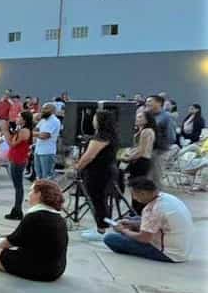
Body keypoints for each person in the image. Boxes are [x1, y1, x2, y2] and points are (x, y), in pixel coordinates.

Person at [0, 179, 67, 282]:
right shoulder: (59, 218)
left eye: (31, 191)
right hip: (57, 269)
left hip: (42, 270)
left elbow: (12, 241)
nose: (29, 194)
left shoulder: (34, 216)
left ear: (38, 194)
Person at [103, 177, 193, 263]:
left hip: (168, 254)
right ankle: (131, 228)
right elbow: (156, 220)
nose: (134, 198)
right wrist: (132, 223)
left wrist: (123, 230)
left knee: (110, 238)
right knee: (134, 219)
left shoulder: (152, 209)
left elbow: (144, 238)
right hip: (182, 250)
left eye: (134, 194)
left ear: (143, 193)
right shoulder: (166, 197)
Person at [72, 109, 119, 241]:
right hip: (104, 170)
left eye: (95, 118)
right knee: (100, 199)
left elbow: (89, 156)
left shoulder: (101, 137)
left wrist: (78, 167)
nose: (93, 120)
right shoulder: (110, 135)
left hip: (99, 171)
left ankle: (101, 229)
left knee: (97, 199)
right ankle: (102, 225)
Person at [3, 111, 34, 220]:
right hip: (15, 158)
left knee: (18, 186)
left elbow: (12, 144)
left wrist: (5, 131)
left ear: (24, 119)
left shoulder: (25, 131)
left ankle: (17, 210)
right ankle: (16, 209)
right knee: (17, 186)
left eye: (19, 117)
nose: (17, 118)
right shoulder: (21, 129)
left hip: (18, 160)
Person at [124, 110, 156, 181]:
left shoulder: (146, 131)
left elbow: (141, 150)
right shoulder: (141, 131)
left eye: (140, 117)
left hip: (141, 161)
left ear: (147, 119)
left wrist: (128, 158)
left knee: (137, 183)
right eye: (137, 117)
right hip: (138, 159)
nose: (136, 119)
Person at [32, 103, 60, 180]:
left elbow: (44, 136)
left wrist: (31, 133)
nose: (43, 111)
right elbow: (35, 130)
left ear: (53, 110)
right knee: (39, 176)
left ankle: (48, 192)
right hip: (38, 150)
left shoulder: (54, 121)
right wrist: (34, 120)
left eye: (46, 109)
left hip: (47, 152)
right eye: (43, 108)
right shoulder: (43, 120)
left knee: (47, 177)